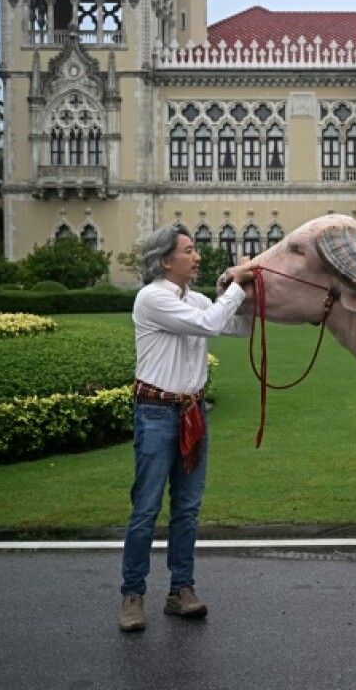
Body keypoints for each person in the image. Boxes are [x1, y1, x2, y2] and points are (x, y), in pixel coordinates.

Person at [119, 225, 255, 632]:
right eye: (190, 250)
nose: (197, 256)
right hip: (157, 413)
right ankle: (132, 594)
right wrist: (235, 286)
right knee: (146, 509)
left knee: (187, 509)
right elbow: (210, 324)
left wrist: (241, 291)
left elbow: (234, 327)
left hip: (192, 413)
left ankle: (181, 590)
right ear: (165, 260)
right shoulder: (152, 297)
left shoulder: (193, 298)